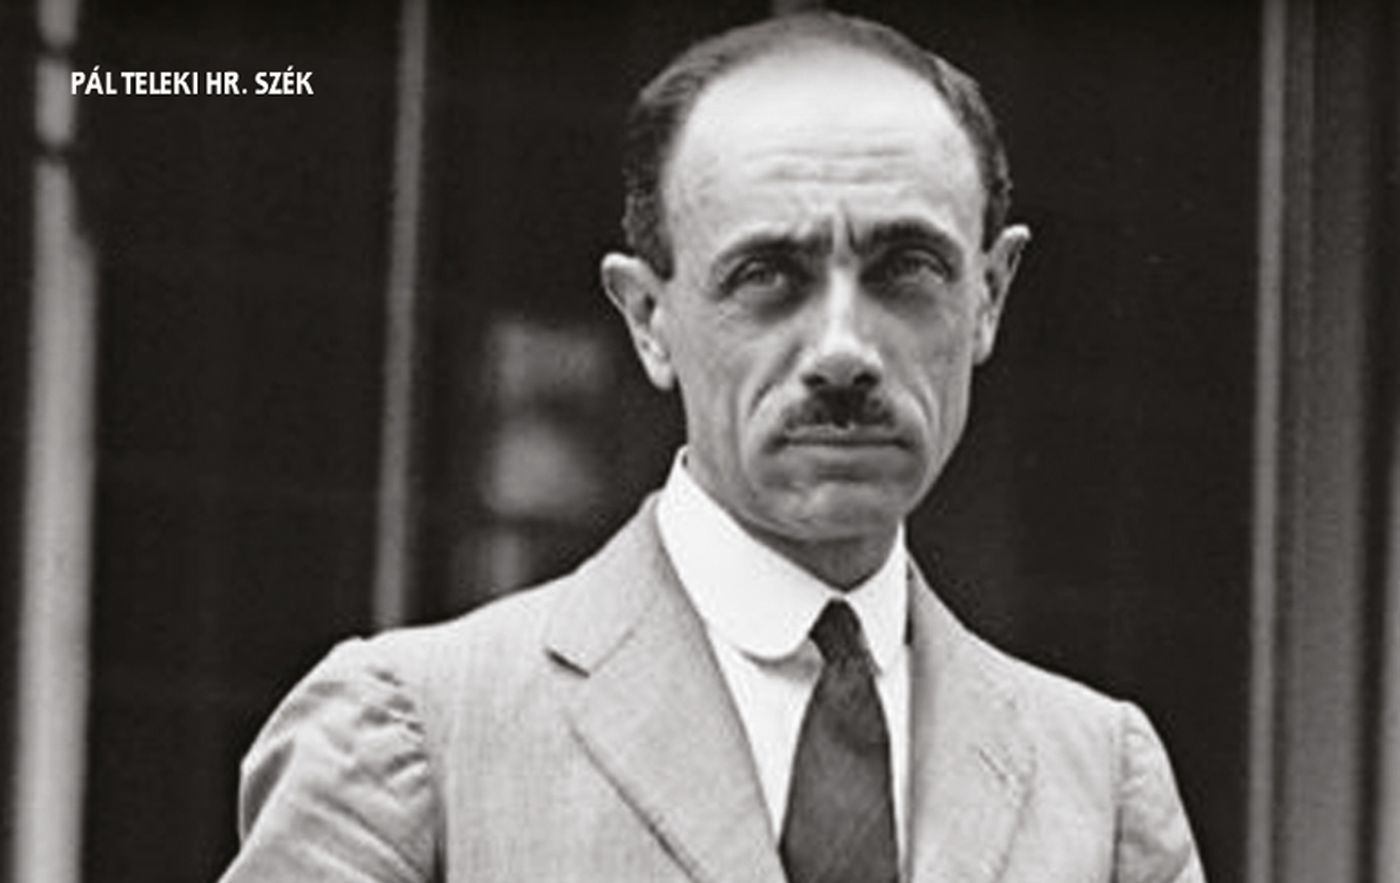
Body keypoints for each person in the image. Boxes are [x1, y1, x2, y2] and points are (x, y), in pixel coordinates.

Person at [219, 11, 1205, 883]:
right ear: (648, 318)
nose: (842, 351)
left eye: (906, 268)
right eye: (768, 274)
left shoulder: (1096, 778)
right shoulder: (414, 734)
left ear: (988, 295)